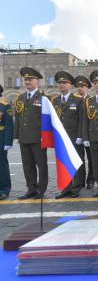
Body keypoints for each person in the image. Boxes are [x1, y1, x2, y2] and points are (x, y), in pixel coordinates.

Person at [15, 67, 48, 199]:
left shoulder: (43, 98)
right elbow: (18, 117)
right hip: (24, 137)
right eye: (26, 79)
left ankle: (41, 189)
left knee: (41, 165)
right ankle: (31, 188)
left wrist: (44, 136)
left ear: (37, 81)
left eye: (30, 79)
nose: (28, 82)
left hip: (38, 138)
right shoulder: (21, 98)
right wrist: (17, 135)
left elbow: (46, 119)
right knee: (27, 165)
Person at [52, 71, 84, 198]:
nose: (61, 85)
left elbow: (82, 119)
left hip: (74, 137)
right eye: (59, 83)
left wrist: (80, 136)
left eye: (64, 82)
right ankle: (66, 188)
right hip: (61, 138)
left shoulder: (78, 100)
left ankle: (76, 187)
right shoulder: (54, 101)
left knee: (75, 162)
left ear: (71, 85)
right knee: (63, 164)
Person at [74, 75, 95, 189]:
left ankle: (91, 179)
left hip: (89, 134)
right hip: (77, 135)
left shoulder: (91, 100)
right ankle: (79, 180)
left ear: (87, 88)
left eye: (82, 86)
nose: (80, 88)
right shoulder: (74, 100)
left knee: (92, 159)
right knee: (79, 159)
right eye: (78, 86)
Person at [0, 84, 13, 200]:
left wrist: (8, 142)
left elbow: (9, 125)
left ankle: (4, 189)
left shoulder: (5, 106)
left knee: (2, 165)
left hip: (1, 138)